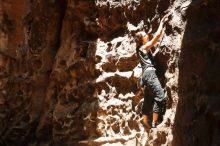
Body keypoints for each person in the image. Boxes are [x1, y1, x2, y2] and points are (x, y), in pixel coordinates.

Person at [135, 14, 169, 130]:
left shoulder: (141, 50)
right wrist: (162, 22)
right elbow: (157, 37)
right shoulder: (143, 48)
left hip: (146, 76)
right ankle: (155, 123)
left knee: (149, 99)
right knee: (160, 96)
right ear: (141, 40)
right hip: (149, 74)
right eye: (144, 35)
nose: (147, 36)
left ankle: (145, 120)